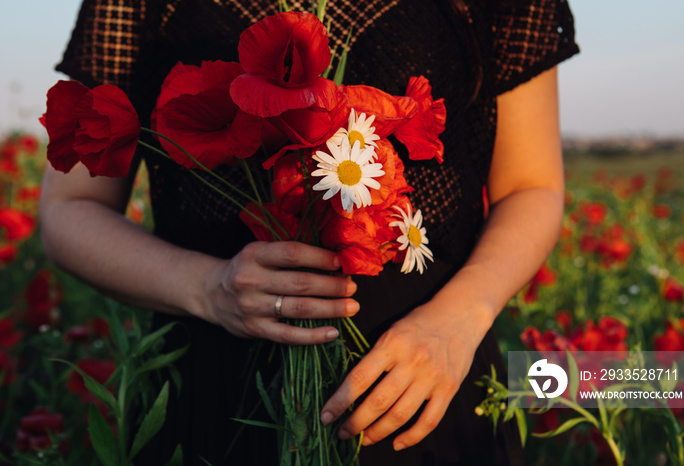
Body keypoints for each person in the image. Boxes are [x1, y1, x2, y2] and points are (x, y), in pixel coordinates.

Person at [40, 0, 578, 464]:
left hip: (430, 374)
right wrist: (208, 287)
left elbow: (531, 188)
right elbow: (71, 208)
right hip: (214, 381)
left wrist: (460, 319)